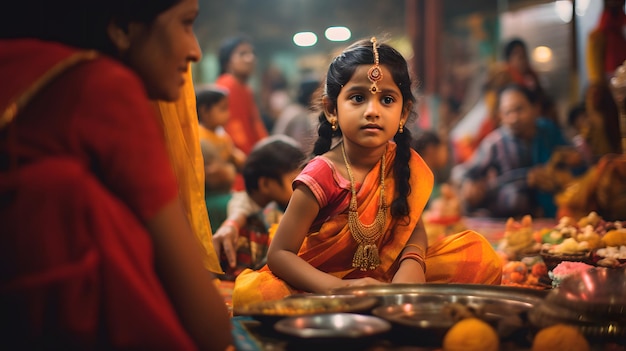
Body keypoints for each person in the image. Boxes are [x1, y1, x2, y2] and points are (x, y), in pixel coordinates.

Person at [0, 1, 232, 349]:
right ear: (122, 29)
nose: (195, 51)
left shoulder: (18, 65)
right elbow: (210, 329)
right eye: (186, 24)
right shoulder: (102, 88)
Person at [232, 37, 502, 307]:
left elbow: (412, 227)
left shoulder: (401, 163)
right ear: (331, 109)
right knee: (256, 295)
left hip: (388, 280)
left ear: (404, 112)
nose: (372, 111)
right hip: (323, 286)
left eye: (386, 99)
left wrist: (412, 265)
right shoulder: (321, 174)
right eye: (358, 98)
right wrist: (338, 288)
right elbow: (280, 255)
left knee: (480, 257)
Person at [453, 84, 583, 219]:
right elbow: (461, 172)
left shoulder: (548, 131)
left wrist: (571, 163)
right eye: (507, 112)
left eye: (519, 109)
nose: (514, 118)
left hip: (557, 213)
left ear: (535, 108)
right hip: (512, 218)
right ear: (501, 116)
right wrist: (468, 184)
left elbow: (574, 159)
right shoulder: (495, 143)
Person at [212, 136, 305, 281]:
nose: (301, 187)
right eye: (293, 181)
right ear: (265, 184)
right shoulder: (250, 220)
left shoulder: (276, 209)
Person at [196, 85, 246, 233]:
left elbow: (232, 156)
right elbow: (214, 174)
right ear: (204, 111)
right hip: (210, 194)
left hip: (226, 189)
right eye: (222, 109)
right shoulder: (199, 136)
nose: (228, 114)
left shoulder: (221, 134)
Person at [215, 35, 268, 160]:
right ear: (227, 61)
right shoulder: (227, 85)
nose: (250, 58)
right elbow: (233, 128)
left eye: (252, 53)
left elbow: (255, 125)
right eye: (242, 54)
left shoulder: (245, 88)